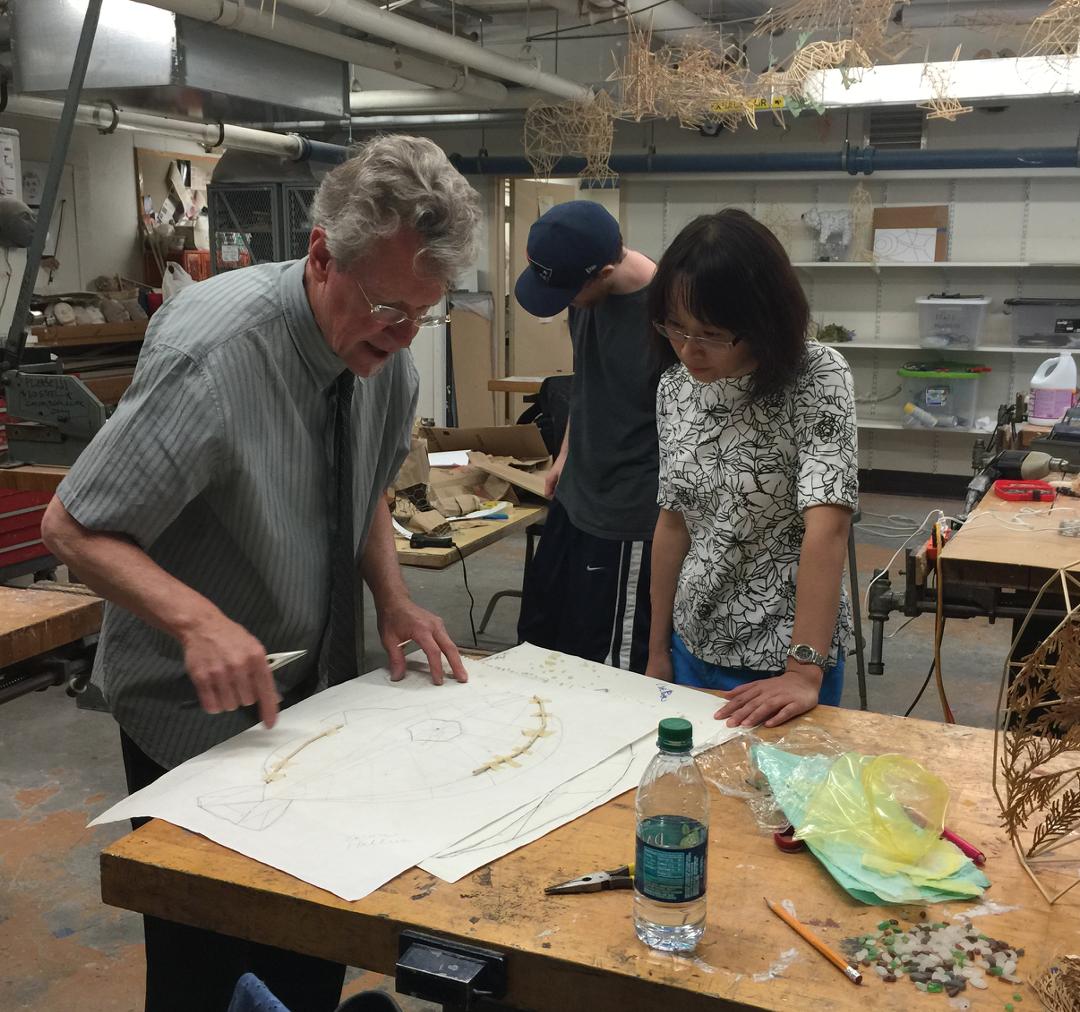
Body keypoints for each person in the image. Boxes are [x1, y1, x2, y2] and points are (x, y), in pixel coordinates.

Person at [40, 135, 481, 1012]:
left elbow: (363, 488)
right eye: (387, 307)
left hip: (312, 703)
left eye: (421, 314)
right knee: (209, 973)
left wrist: (392, 598)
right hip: (190, 712)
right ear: (321, 256)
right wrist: (197, 620)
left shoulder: (386, 362)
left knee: (310, 945)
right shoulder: (214, 357)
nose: (402, 336)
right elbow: (73, 526)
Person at [644, 209, 858, 728]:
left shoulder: (817, 376)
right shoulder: (675, 388)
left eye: (712, 333)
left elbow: (827, 527)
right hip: (693, 640)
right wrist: (656, 650)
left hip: (784, 656)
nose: (689, 349)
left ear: (763, 320)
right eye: (675, 327)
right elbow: (673, 523)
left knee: (779, 781)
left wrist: (802, 672)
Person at [513, 200, 660, 671]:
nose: (565, 304)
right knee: (541, 638)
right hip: (577, 496)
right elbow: (587, 380)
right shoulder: (586, 296)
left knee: (605, 664)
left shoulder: (665, 318)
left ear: (606, 272)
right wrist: (564, 455)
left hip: (627, 513)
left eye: (568, 293)